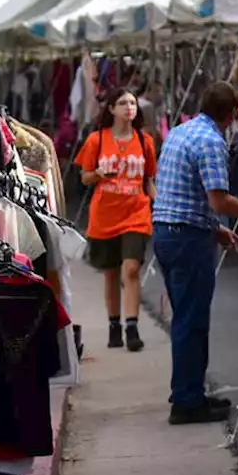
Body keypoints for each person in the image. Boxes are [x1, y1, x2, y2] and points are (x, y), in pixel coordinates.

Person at [153, 81, 238, 425]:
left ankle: (189, 389)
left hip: (167, 232)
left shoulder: (181, 132)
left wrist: (214, 228)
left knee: (186, 318)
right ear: (232, 114)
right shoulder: (211, 142)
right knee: (192, 321)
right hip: (186, 239)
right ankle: (186, 400)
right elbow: (219, 200)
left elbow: (182, 193)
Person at [76, 88, 157, 352]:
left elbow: (149, 180)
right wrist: (99, 172)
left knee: (131, 269)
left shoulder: (145, 142)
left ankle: (132, 326)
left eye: (132, 102)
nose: (129, 107)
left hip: (137, 213)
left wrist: (160, 206)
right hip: (104, 216)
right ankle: (114, 325)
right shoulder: (96, 140)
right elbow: (85, 177)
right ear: (111, 109)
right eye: (122, 103)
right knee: (110, 273)